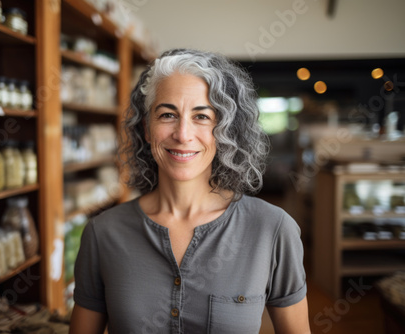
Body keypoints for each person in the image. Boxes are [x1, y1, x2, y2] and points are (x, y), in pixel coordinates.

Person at [69, 48, 310, 334]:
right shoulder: (103, 233)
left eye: (202, 117)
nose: (183, 134)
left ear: (224, 130)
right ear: (146, 128)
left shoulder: (272, 229)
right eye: (168, 114)